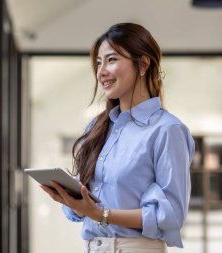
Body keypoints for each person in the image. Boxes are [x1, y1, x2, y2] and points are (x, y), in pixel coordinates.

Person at [41, 23, 195, 253]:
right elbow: (87, 207)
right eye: (98, 62)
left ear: (143, 64)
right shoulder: (97, 127)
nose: (101, 71)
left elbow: (170, 214)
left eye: (111, 60)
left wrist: (99, 214)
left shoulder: (167, 129)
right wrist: (73, 201)